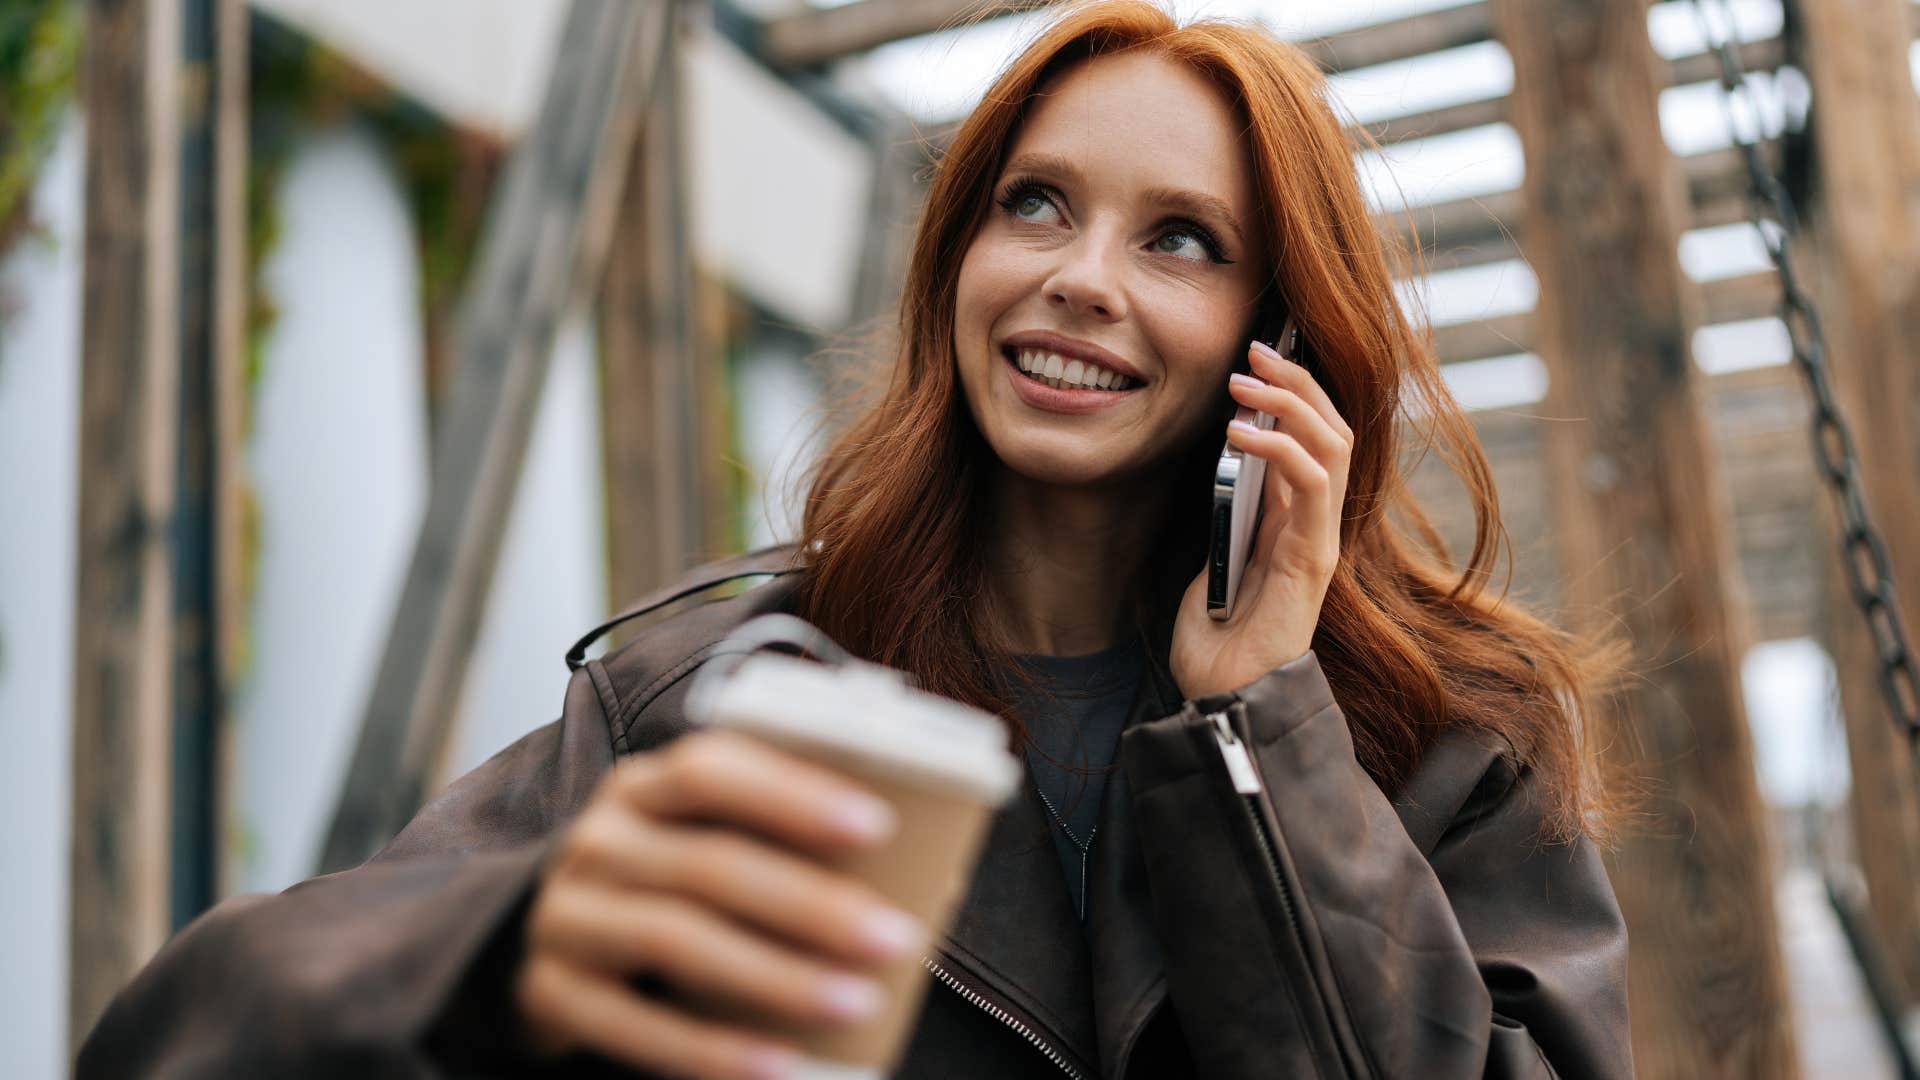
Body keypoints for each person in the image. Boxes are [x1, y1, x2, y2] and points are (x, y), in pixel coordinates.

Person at [79, 2, 1636, 1077]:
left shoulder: (1449, 751)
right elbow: (191, 1041)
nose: (1081, 276)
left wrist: (1265, 729)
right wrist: (499, 958)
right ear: (952, 259)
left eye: (1180, 238)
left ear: (1279, 337)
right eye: (1033, 205)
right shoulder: (714, 694)